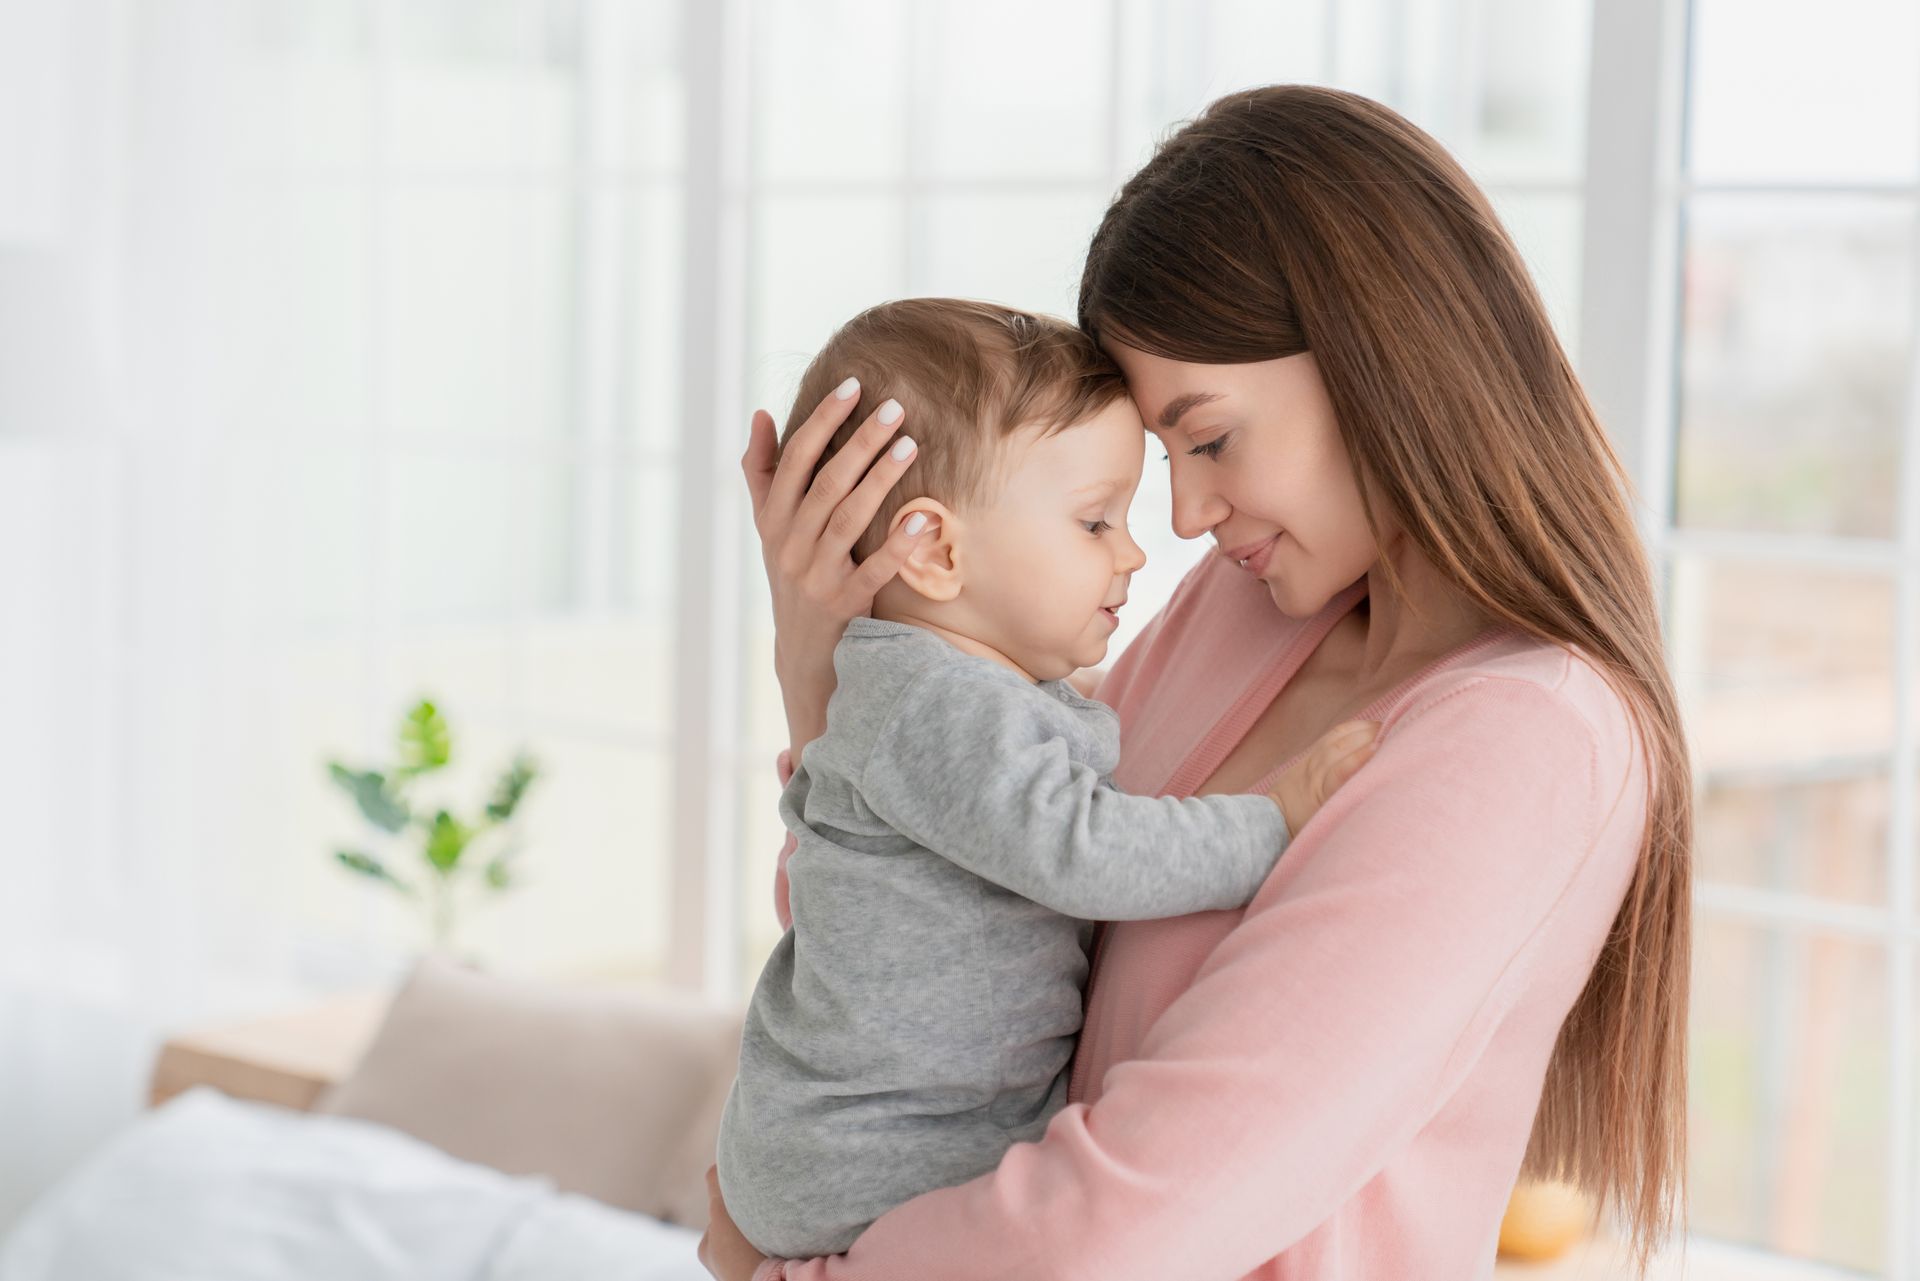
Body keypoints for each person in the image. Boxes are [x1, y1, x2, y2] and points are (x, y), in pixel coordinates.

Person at [702, 84, 1692, 1281]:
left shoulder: (1529, 740)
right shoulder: (1246, 609)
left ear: (1385, 358)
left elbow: (1115, 1232)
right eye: (1163, 460)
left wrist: (785, 1274)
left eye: (1209, 440)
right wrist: (826, 669)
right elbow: (928, 951)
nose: (1183, 515)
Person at [715, 297, 1379, 1259]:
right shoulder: (935, 705)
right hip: (881, 1155)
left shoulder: (954, 694)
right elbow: (1084, 848)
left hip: (879, 1141)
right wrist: (1272, 820)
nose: (1137, 550)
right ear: (937, 549)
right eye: (1095, 521)